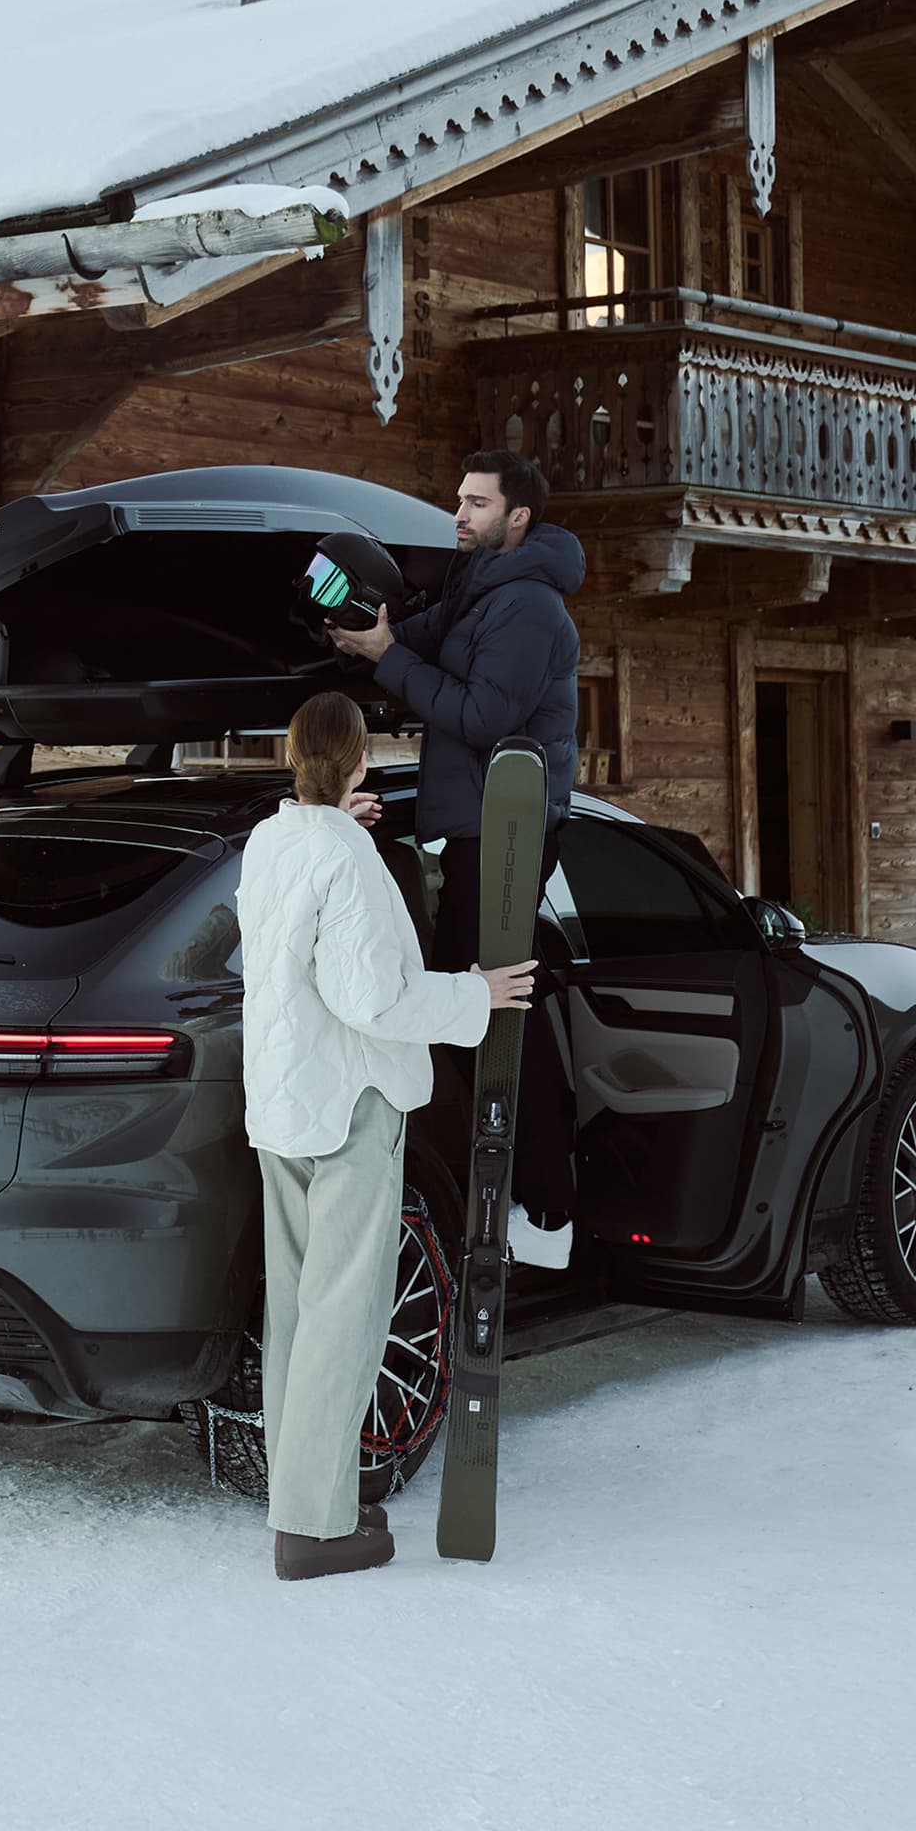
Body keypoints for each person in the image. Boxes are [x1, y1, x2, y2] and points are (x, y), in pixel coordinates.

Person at [235, 691, 536, 1582]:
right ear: (361, 762)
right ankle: (317, 1527)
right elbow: (374, 998)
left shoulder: (272, 841)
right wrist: (478, 993)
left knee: (294, 1310)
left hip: (283, 1106)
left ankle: (300, 1501)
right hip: (349, 1105)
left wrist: (340, 821)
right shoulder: (348, 859)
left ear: (297, 762)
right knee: (345, 1312)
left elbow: (308, 892)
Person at [327, 448, 584, 1268]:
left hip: (507, 832)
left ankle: (546, 1206)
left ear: (519, 518)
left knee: (498, 1008)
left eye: (477, 503)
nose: (460, 515)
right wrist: (361, 633)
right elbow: (411, 638)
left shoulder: (532, 609)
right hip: (472, 830)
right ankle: (490, 1181)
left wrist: (386, 658)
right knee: (464, 1004)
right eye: (459, 500)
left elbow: (482, 714)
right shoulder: (478, 590)